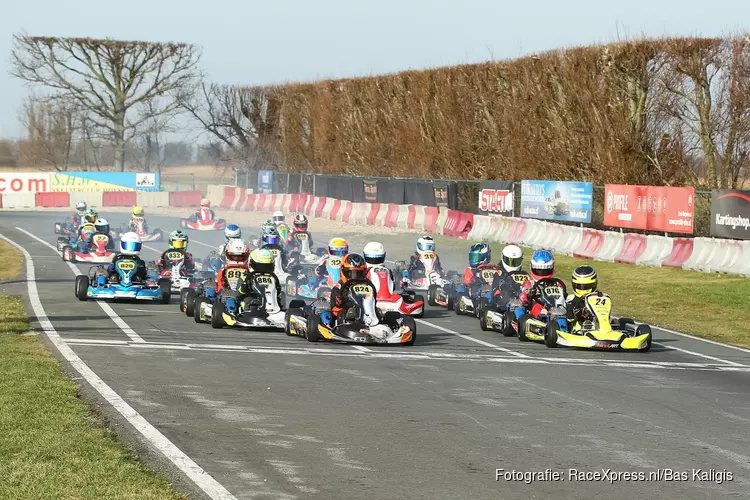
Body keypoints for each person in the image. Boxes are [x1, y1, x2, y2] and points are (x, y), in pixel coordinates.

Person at [518, 249, 565, 319]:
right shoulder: (530, 283)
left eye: (546, 270)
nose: (542, 273)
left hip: (556, 311)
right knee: (535, 306)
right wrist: (529, 294)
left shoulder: (557, 284)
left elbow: (563, 299)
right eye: (538, 270)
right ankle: (542, 317)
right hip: (536, 313)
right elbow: (522, 297)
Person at [327, 253, 373, 323]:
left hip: (368, 316)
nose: (355, 278)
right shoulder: (338, 288)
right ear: (343, 271)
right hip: (347, 320)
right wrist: (339, 304)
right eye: (351, 274)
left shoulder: (369, 286)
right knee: (342, 313)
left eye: (359, 274)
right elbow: (334, 310)